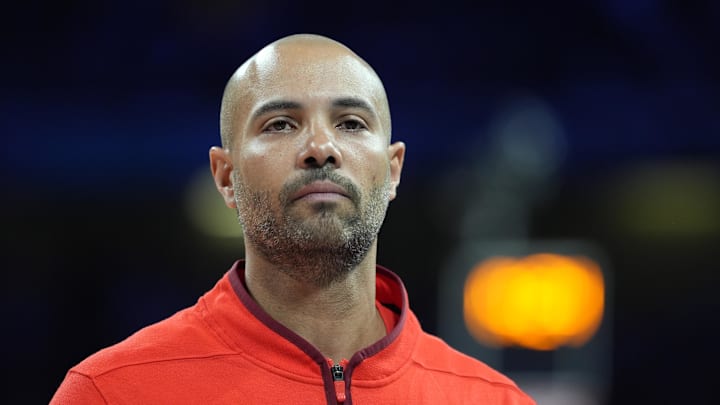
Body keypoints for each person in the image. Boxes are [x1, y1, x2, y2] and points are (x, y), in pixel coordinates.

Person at [50, 33, 536, 404]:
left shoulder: (494, 398)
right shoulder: (112, 392)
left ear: (393, 171)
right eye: (280, 124)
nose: (320, 148)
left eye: (350, 123)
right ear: (225, 176)